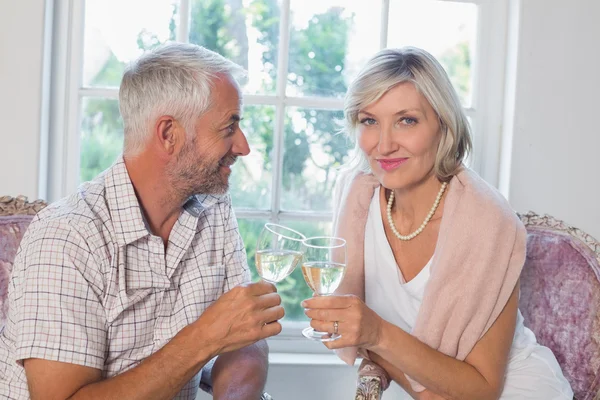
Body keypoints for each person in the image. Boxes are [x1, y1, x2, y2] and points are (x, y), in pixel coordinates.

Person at [0, 43, 283, 400]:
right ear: (168, 134)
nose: (243, 146)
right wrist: (205, 338)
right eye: (229, 127)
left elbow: (245, 337)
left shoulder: (214, 208)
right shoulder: (67, 237)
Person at [302, 47, 573, 399]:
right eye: (369, 120)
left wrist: (377, 335)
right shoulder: (356, 196)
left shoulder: (488, 223)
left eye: (407, 120)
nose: (383, 145)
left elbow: (483, 388)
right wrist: (416, 383)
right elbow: (357, 331)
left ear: (442, 126)